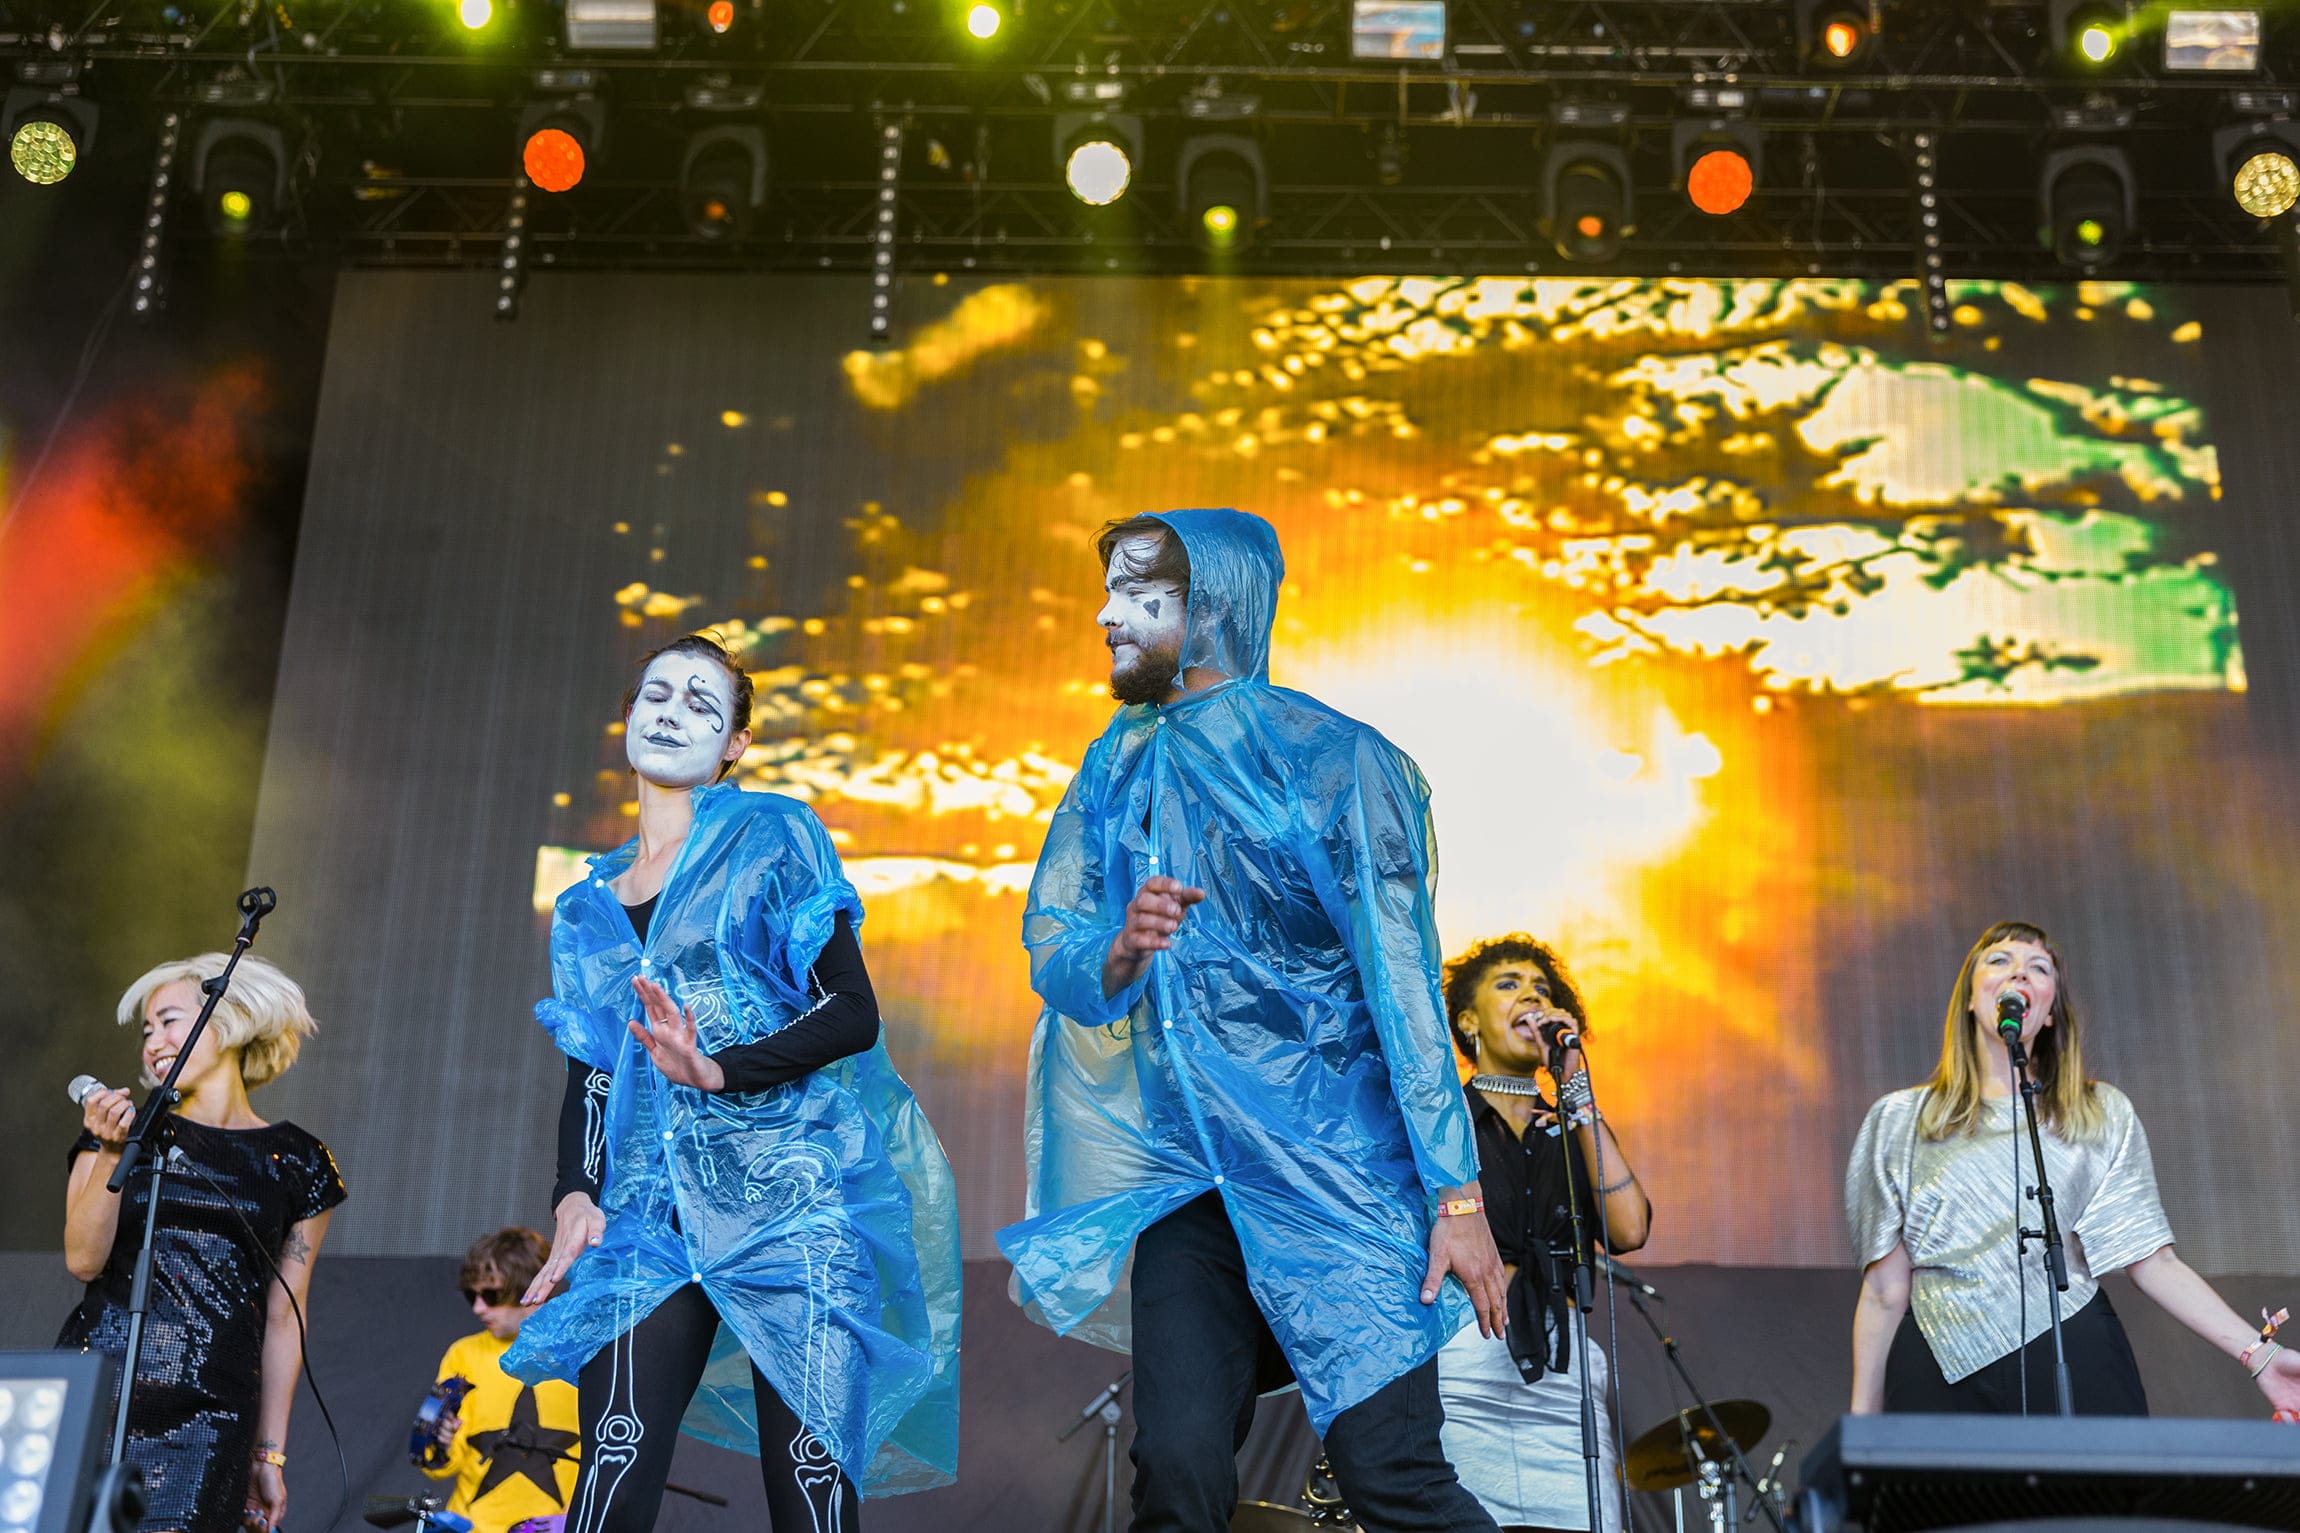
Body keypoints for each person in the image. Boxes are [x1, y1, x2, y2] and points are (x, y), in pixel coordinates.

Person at [998, 509, 1507, 1533]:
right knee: (1176, 1470)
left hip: (1339, 1175)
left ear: (1215, 606)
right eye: (1109, 592)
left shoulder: (1338, 762)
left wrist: (1456, 1200)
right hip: (1195, 1179)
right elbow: (1055, 943)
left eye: (1140, 597)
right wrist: (1120, 947)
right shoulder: (1116, 769)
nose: (1105, 617)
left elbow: (1402, 983)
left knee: (1388, 1475)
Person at [503, 631, 960, 1533]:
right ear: (628, 715)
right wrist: (576, 1192)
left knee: (811, 1485)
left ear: (735, 746)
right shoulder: (587, 907)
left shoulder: (771, 834)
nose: (671, 713)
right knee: (613, 1466)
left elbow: (850, 1010)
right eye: (657, 695)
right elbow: (592, 1071)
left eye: (701, 705)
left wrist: (718, 1067)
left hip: (791, 1200)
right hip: (651, 1216)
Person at [1847, 919, 2300, 1417]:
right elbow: (1885, 1291)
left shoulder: (2099, 1114)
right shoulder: (1899, 1120)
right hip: (1937, 1356)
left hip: (2069, 1341)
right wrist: (1860, 1435)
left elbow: (2152, 1260)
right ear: (1972, 1000)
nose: (2019, 974)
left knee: (2097, 1496)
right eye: (1999, 961)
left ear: (2048, 1015)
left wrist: (2260, 1355)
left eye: (2038, 968)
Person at [60, 954, 345, 1533]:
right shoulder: (116, 1132)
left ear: (231, 1019)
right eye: (146, 1031)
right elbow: (83, 1261)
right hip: (100, 1397)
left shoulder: (299, 1161)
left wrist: (268, 1453)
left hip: (211, 1419)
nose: (153, 1042)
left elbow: (284, 1317)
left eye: (168, 1021)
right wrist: (114, 1150)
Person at [1437, 936, 1649, 1533]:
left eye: (1542, 990)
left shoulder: (1570, 1128)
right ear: (1468, 1021)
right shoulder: (1442, 1121)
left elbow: (1630, 1227)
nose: (1532, 998)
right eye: (1509, 986)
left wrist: (1576, 1085)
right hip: (1463, 1363)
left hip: (1562, 1377)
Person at [419, 1229, 581, 1533]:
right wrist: (440, 1442)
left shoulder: (580, 1352)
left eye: (491, 1295)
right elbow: (441, 1465)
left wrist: (575, 1519)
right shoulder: (463, 1353)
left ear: (532, 1288)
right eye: (472, 1295)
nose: (478, 1308)